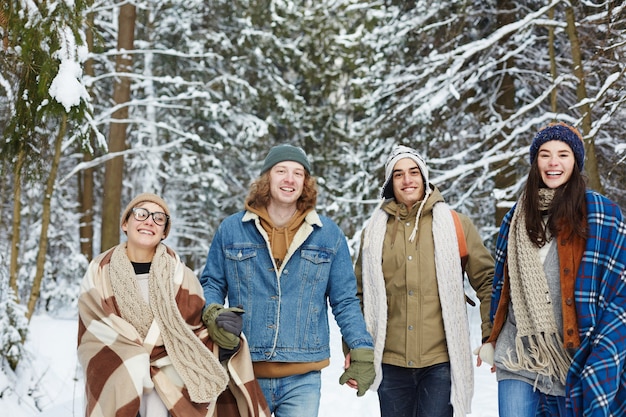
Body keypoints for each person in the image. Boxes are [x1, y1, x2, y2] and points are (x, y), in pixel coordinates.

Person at [200, 144, 376, 417]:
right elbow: (211, 283)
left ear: (305, 183)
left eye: (297, 173)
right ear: (266, 178)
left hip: (302, 378)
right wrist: (213, 312)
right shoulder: (232, 230)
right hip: (243, 369)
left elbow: (344, 300)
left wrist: (361, 346)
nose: (289, 179)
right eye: (281, 171)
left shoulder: (328, 235)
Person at [77, 192, 269, 417]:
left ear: (164, 232)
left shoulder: (182, 277)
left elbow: (196, 334)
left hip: (175, 382)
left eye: (159, 218)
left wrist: (225, 335)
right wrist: (134, 359)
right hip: (118, 376)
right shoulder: (98, 273)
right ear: (125, 223)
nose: (149, 221)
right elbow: (93, 333)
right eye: (141, 214)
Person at [487, 122, 626, 416]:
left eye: (563, 154)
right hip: (518, 352)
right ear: (535, 162)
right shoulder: (515, 217)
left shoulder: (602, 215)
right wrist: (492, 336)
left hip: (573, 355)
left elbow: (618, 289)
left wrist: (604, 352)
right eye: (545, 154)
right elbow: (502, 287)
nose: (553, 163)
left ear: (575, 161)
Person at [355, 144, 495, 417]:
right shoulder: (374, 233)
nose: (407, 180)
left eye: (413, 172)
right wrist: (355, 348)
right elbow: (359, 295)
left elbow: (488, 281)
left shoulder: (456, 224)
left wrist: (491, 333)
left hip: (440, 361)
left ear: (424, 176)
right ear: (389, 183)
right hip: (390, 362)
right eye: (398, 174)